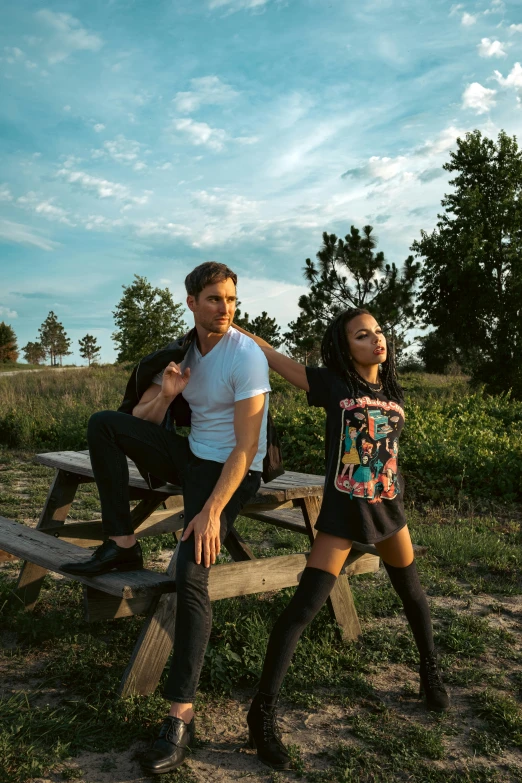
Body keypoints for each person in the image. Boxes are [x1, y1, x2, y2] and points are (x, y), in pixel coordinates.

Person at [60, 261, 271, 775]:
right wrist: (167, 394)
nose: (225, 309)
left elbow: (246, 448)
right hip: (191, 454)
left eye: (231, 300)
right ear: (192, 303)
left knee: (190, 569)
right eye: (215, 300)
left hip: (232, 468)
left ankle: (180, 715)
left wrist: (211, 512)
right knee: (106, 425)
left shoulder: (246, 358)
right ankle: (122, 542)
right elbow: (143, 424)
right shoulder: (185, 353)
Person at [233, 308, 449, 771]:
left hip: (389, 506)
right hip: (344, 511)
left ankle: (429, 671)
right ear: (345, 346)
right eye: (361, 335)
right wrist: (233, 324)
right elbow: (273, 356)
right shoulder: (332, 384)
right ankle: (263, 711)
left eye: (378, 332)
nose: (376, 340)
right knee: (304, 608)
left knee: (412, 593)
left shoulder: (391, 388)